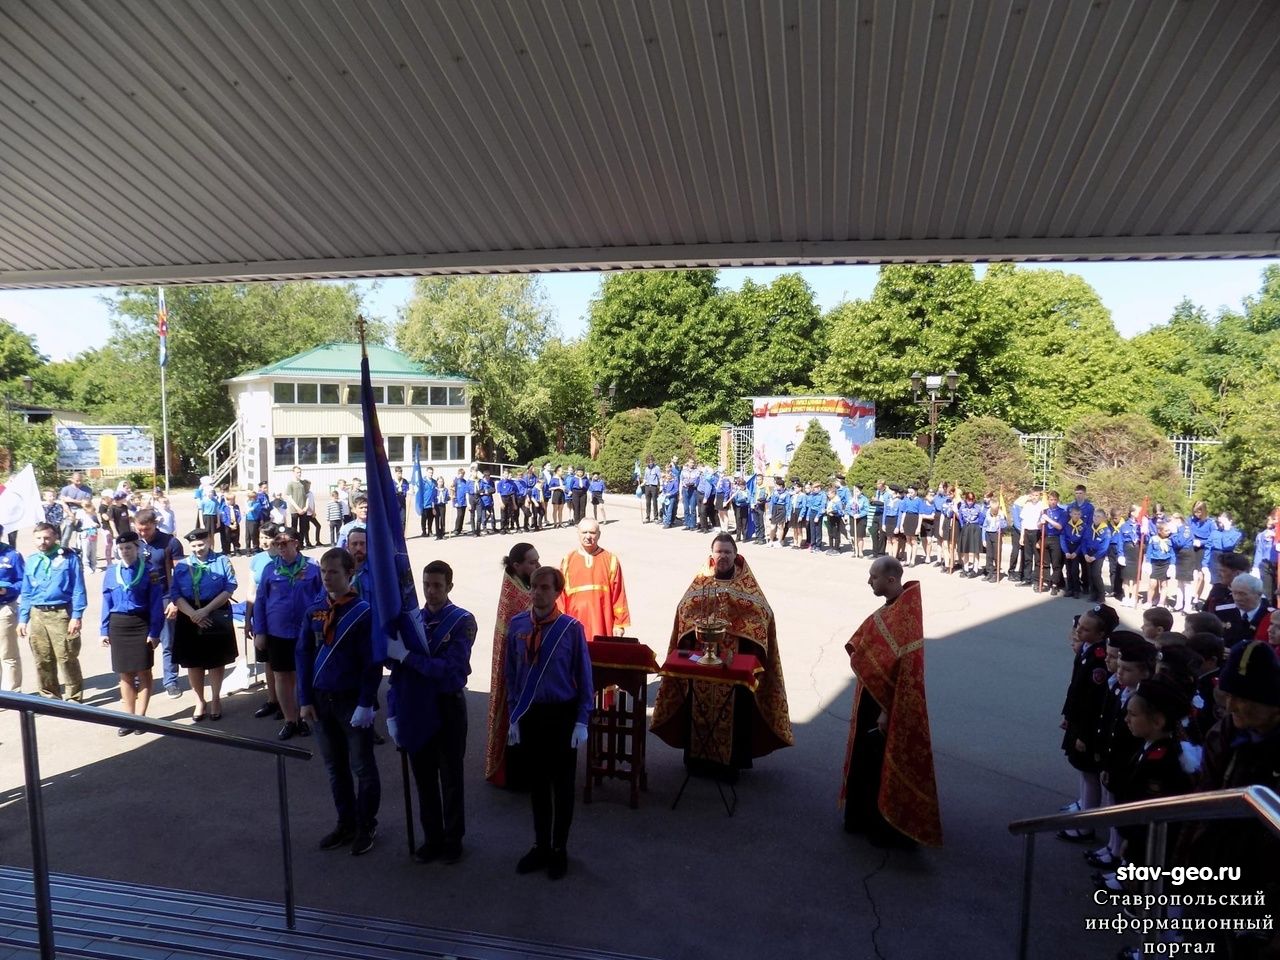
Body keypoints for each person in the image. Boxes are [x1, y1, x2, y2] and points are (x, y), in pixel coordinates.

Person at [651, 534, 794, 779]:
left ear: (736, 555)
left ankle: (729, 767)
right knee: (698, 707)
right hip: (701, 661)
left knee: (735, 712)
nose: (723, 556)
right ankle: (697, 762)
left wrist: (743, 632)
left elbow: (763, 615)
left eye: (728, 552)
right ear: (712, 555)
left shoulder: (746, 585)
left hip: (733, 663)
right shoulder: (701, 581)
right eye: (719, 552)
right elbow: (684, 610)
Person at [840, 556, 942, 848]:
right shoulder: (894, 607)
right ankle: (859, 817)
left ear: (891, 579)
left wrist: (886, 710)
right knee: (864, 758)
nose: (869, 581)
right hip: (871, 697)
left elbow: (902, 670)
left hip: (888, 706)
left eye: (873, 577)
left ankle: (883, 826)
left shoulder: (905, 616)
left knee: (879, 764)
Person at [505, 565, 592, 880]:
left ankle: (559, 849)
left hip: (561, 716)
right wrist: (513, 717)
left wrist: (582, 719)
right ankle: (540, 845)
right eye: (534, 586)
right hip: (530, 715)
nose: (538, 592)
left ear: (558, 592)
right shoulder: (517, 625)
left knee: (563, 786)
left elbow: (584, 676)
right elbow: (512, 675)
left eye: (545, 587)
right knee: (538, 784)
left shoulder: (571, 629)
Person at [387, 560, 477, 864]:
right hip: (416, 705)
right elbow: (398, 671)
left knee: (450, 777)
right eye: (426, 584)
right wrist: (393, 711)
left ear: (449, 586)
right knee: (423, 776)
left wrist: (408, 657)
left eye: (438, 585)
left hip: (447, 705)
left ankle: (453, 840)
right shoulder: (412, 621)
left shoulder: (462, 621)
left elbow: (450, 668)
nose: (431, 591)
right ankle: (432, 838)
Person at [297, 547, 381, 856]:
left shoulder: (363, 612)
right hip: (321, 701)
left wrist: (366, 702)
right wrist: (304, 699)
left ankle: (366, 824)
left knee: (362, 766)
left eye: (333, 572)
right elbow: (303, 654)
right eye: (323, 571)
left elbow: (372, 662)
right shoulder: (314, 610)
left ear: (350, 574)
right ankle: (345, 822)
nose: (327, 577)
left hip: (351, 700)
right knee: (335, 767)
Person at [253, 527, 324, 739]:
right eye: (277, 543)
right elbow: (260, 602)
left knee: (305, 674)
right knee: (281, 676)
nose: (280, 547)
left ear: (296, 543)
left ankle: (305, 717)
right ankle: (290, 720)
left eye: (284, 543)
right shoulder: (269, 569)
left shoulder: (313, 567)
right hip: (278, 632)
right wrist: (260, 631)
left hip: (306, 632)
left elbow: (323, 597)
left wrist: (321, 626)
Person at [99, 531, 165, 733]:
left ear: (137, 548)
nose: (125, 551)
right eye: (121, 548)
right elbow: (106, 601)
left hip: (141, 623)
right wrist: (104, 630)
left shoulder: (150, 571)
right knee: (125, 673)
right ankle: (128, 718)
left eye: (128, 547)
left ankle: (141, 718)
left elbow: (156, 604)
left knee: (144, 671)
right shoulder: (112, 572)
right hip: (119, 625)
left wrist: (155, 631)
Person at [169, 528, 238, 721]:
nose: (198, 549)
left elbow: (230, 587)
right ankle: (200, 700)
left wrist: (205, 611)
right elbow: (175, 593)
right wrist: (193, 614)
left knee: (216, 660)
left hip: (215, 611)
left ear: (209, 541)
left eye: (201, 544)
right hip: (189, 615)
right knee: (193, 662)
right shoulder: (182, 566)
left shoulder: (222, 561)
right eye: (193, 546)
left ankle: (215, 699)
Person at [485, 542, 539, 786]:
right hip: (516, 668)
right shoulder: (514, 593)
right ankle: (512, 775)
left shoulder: (524, 585)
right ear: (517, 566)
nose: (537, 565)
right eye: (532, 562)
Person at [17, 522, 88, 701]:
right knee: (42, 658)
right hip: (37, 614)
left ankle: (74, 697)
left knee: (66, 657)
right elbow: (27, 592)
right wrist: (23, 619)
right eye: (38, 538)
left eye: (47, 538)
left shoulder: (69, 558)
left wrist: (76, 616)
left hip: (61, 614)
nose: (42, 541)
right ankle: (49, 697)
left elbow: (78, 588)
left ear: (55, 537)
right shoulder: (32, 560)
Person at [135, 507, 186, 698]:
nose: (143, 533)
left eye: (147, 529)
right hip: (140, 600)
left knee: (168, 643)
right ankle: (139, 678)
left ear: (155, 524)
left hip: (164, 598)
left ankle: (171, 681)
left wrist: (175, 601)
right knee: (140, 642)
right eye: (139, 529)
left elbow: (180, 574)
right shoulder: (133, 543)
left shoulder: (170, 542)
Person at [558, 519, 631, 641]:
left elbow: (619, 594)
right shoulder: (567, 560)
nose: (588, 536)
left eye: (592, 532)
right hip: (574, 624)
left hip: (603, 622)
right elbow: (560, 595)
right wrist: (560, 623)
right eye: (584, 532)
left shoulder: (610, 560)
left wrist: (619, 624)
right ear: (578, 533)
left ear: (599, 534)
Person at [0, 525, 24, 692]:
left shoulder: (12, 555)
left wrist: (7, 590)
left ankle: (12, 694)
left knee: (7, 654)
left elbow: (23, 581)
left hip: (4, 607)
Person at [285, 466, 308, 545]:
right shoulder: (290, 484)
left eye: (300, 472)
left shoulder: (303, 483)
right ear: (293, 473)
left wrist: (306, 507)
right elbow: (289, 497)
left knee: (303, 527)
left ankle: (301, 543)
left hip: (303, 509)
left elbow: (307, 495)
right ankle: (294, 543)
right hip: (294, 509)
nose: (299, 474)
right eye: (297, 472)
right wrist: (297, 508)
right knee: (294, 527)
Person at [642, 456, 660, 523]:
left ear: (653, 461)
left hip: (654, 486)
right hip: (647, 486)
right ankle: (647, 517)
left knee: (654, 502)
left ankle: (656, 518)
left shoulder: (657, 468)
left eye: (651, 461)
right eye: (649, 461)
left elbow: (659, 477)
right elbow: (645, 478)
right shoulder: (646, 468)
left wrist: (661, 486)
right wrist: (641, 484)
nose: (650, 462)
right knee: (647, 502)